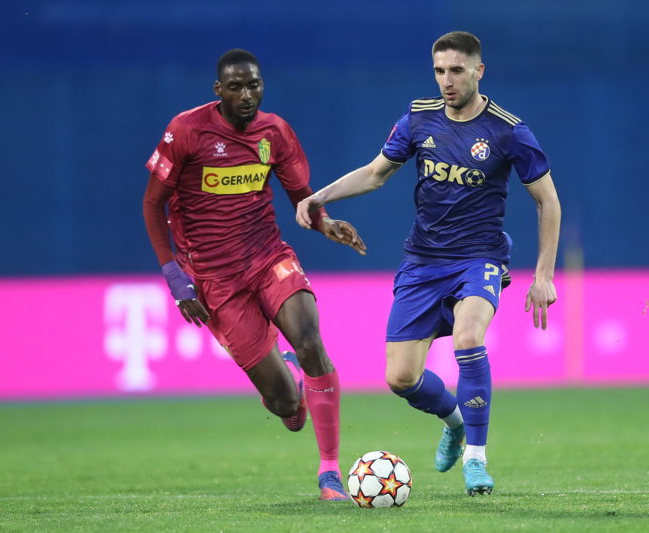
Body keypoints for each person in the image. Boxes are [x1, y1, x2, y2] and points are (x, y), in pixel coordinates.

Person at [296, 31, 561, 496]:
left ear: (479, 71)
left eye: (456, 70)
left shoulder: (508, 131)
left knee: (468, 337)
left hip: (479, 257)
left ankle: (476, 458)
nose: (447, 80)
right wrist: (320, 196)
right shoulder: (419, 119)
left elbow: (548, 201)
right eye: (439, 71)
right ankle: (455, 423)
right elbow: (376, 173)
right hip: (423, 261)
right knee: (400, 378)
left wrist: (543, 274)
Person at [142, 48, 366, 501]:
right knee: (287, 407)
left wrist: (324, 223)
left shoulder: (274, 131)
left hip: (268, 257)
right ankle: (287, 384)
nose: (247, 95)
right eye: (236, 87)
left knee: (310, 342)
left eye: (254, 85)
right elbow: (152, 203)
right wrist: (175, 277)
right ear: (218, 90)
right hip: (216, 280)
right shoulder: (186, 130)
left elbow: (302, 196)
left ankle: (329, 473)